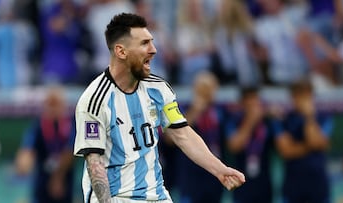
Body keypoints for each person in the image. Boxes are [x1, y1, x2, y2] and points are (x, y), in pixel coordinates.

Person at [73, 13, 245, 203]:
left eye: (152, 42)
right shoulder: (95, 100)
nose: (153, 50)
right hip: (117, 198)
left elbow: (183, 134)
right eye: (144, 43)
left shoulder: (158, 89)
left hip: (156, 196)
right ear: (121, 52)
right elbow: (94, 161)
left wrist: (219, 170)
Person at [15, 87, 76, 203]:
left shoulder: (71, 124)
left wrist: (58, 177)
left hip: (65, 183)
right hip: (42, 184)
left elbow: (70, 150)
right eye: (49, 105)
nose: (52, 109)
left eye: (56, 104)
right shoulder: (38, 125)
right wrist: (23, 162)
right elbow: (27, 148)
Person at [275, 80, 333, 203]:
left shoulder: (323, 117)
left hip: (318, 185)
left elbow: (316, 143)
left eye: (306, 95)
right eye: (298, 95)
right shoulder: (283, 119)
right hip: (293, 186)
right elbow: (287, 151)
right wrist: (311, 146)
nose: (302, 99)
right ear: (292, 97)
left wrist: (308, 117)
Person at [225, 87, 282, 203]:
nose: (253, 104)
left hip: (264, 183)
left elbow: (283, 148)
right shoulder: (235, 121)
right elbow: (234, 146)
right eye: (248, 100)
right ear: (242, 103)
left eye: (255, 99)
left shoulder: (267, 121)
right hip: (241, 184)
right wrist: (251, 121)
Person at [175, 72, 224, 203]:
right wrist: (196, 110)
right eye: (203, 89)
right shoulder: (183, 108)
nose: (206, 93)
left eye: (209, 89)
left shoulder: (220, 111)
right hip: (191, 176)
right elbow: (173, 136)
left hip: (214, 176)